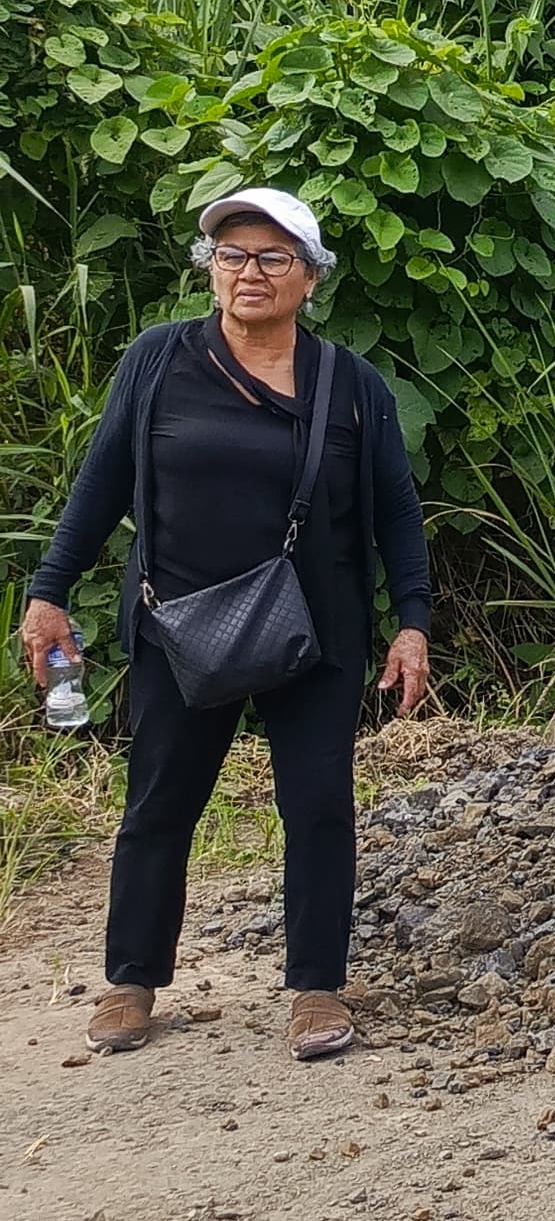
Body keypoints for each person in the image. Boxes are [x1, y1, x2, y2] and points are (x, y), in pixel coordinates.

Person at [17, 184, 433, 1059]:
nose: (250, 272)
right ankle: (132, 980)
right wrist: (49, 592)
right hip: (180, 624)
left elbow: (396, 510)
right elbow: (101, 481)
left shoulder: (351, 385)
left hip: (315, 629)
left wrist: (412, 623)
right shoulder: (158, 359)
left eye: (274, 257)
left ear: (310, 278)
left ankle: (316, 988)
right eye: (231, 254)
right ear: (211, 269)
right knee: (160, 800)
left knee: (318, 806)